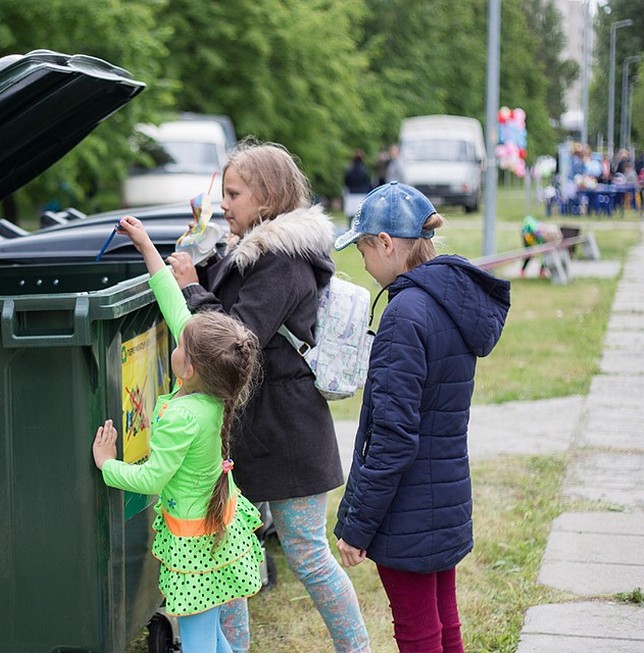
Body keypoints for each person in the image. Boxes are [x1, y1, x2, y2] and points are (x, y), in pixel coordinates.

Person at [167, 139, 371, 652]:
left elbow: (237, 336)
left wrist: (192, 287)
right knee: (229, 552)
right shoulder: (250, 251)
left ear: (265, 198)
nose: (225, 203)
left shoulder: (285, 260)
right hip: (251, 427)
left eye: (233, 194)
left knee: (306, 554)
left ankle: (357, 649)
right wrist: (199, 255)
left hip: (288, 429)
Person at [333, 182, 511, 653]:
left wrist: (356, 525)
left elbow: (393, 439)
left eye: (364, 249)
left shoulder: (405, 314)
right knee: (443, 622)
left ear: (387, 244)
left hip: (407, 506)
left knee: (417, 632)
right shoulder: (449, 300)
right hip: (445, 495)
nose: (365, 264)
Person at [93, 214, 264, 653]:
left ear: (187, 367)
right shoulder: (213, 394)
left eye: (181, 344)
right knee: (210, 634)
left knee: (199, 641)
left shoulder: (182, 417)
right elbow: (174, 305)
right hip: (212, 528)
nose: (176, 340)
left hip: (194, 540)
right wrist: (146, 244)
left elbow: (152, 479)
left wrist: (107, 465)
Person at [343, 150, 374, 217]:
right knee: (360, 215)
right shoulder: (365, 170)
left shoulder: (349, 170)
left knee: (351, 215)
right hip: (362, 194)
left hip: (352, 193)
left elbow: (346, 182)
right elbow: (368, 183)